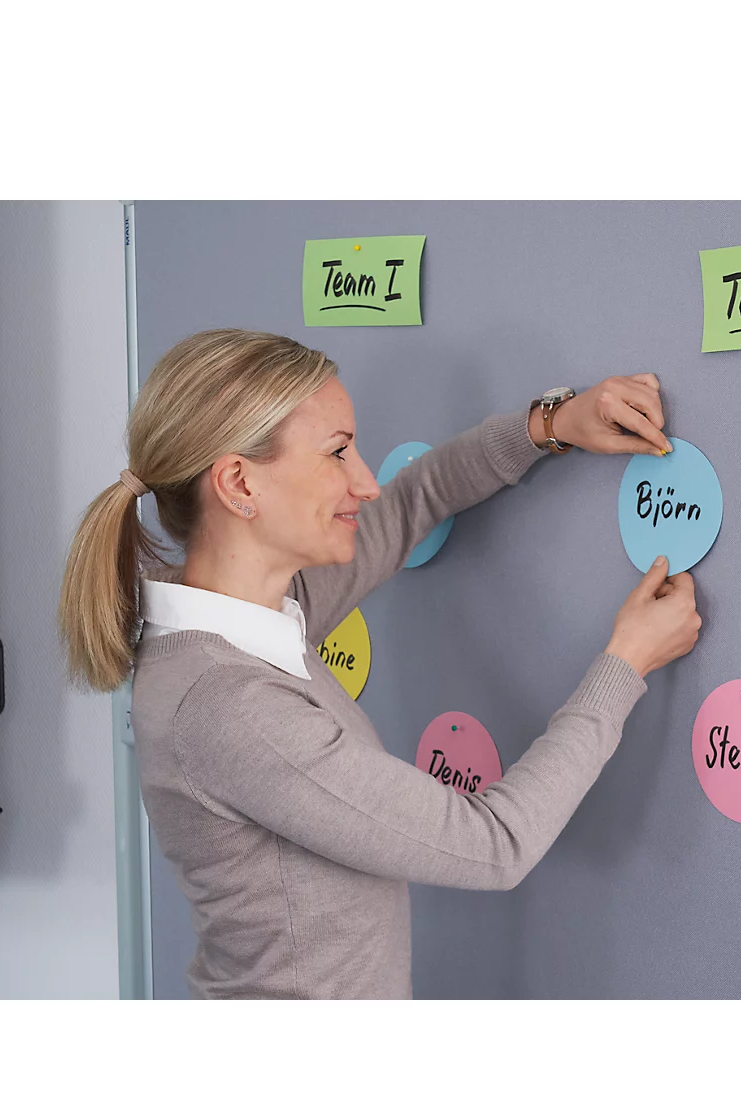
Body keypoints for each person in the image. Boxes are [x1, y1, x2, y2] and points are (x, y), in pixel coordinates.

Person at [58, 329, 701, 999]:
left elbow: (410, 502)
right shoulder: (231, 707)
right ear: (239, 482)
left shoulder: (253, 617)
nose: (364, 482)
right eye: (338, 453)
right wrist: (626, 662)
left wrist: (554, 424)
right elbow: (494, 846)